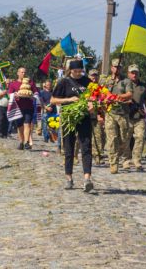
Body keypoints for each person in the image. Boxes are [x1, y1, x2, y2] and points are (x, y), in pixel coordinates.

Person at [51, 59, 94, 192]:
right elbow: (53, 100)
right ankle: (69, 178)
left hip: (84, 117)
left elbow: (94, 97)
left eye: (80, 71)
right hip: (68, 117)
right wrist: (69, 99)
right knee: (68, 148)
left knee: (86, 147)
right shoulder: (63, 82)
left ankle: (87, 178)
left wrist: (92, 104)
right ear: (70, 70)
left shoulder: (88, 82)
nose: (77, 73)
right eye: (75, 71)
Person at [101, 59, 133, 174]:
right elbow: (100, 93)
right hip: (110, 113)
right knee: (112, 138)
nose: (117, 69)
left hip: (123, 114)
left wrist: (117, 97)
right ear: (111, 68)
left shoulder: (126, 81)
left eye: (119, 67)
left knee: (124, 138)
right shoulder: (107, 80)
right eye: (115, 66)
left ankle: (120, 156)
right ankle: (113, 163)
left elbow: (129, 94)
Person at [125, 64, 146, 171]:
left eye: (136, 72)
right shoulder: (123, 84)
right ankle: (126, 161)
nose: (134, 74)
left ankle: (137, 161)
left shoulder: (143, 86)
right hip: (126, 116)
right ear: (128, 73)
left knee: (140, 137)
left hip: (139, 116)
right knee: (126, 139)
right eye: (132, 72)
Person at [7, 67, 39, 150]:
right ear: (18, 73)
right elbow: (9, 94)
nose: (23, 74)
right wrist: (14, 94)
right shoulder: (13, 84)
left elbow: (36, 93)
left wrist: (33, 97)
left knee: (27, 124)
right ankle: (21, 141)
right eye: (21, 72)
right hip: (18, 108)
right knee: (20, 126)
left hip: (29, 107)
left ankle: (26, 142)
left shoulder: (30, 83)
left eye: (24, 72)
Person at [88, 69, 106, 165]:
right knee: (85, 138)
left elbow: (104, 101)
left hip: (97, 116)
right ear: (89, 76)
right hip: (86, 115)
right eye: (92, 75)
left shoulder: (101, 88)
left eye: (95, 75)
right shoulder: (85, 87)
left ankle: (98, 156)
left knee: (98, 137)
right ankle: (80, 155)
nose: (94, 77)